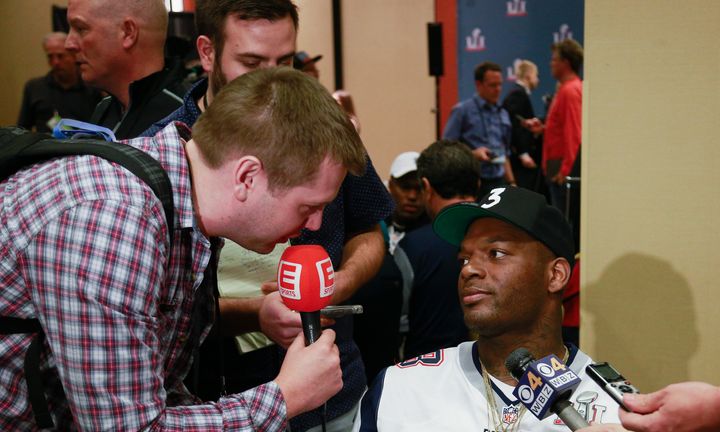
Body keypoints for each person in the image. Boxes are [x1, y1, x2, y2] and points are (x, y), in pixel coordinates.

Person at [0, 68, 365, 430]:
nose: (316, 224)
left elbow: (160, 390)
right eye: (308, 207)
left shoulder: (178, 199)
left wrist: (256, 316)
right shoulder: (114, 219)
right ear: (246, 177)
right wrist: (284, 398)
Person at [142, 1, 393, 430]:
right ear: (207, 52)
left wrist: (338, 283)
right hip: (217, 395)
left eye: (285, 61)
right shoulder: (159, 164)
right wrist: (257, 313)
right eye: (252, 62)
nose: (271, 79)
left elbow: (369, 229)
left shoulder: (322, 129)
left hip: (333, 389)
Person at [353, 186, 622, 431]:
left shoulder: (616, 411)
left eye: (496, 253)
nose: (469, 269)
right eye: (465, 258)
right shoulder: (399, 387)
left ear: (555, 275)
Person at [350, 151, 429, 384]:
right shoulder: (368, 224)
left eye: (419, 189)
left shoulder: (430, 231)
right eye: (405, 187)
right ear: (390, 185)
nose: (412, 196)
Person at [397, 140, 477, 360]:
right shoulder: (503, 236)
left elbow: (398, 322)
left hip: (424, 370)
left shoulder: (412, 247)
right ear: (478, 185)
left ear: (426, 187)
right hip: (489, 370)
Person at [65, 0, 189, 139]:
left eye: (81, 29)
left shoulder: (186, 114)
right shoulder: (104, 110)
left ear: (128, 32)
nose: (69, 44)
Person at [522, 39, 583, 238]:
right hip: (557, 166)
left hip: (560, 169)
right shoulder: (566, 89)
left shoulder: (569, 91)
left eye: (554, 59)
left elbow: (574, 132)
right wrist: (545, 129)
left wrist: (566, 171)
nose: (550, 63)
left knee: (564, 229)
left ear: (565, 62)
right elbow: (564, 127)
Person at [443, 61, 515, 198]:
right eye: (492, 85)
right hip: (471, 181)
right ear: (479, 84)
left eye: (500, 84)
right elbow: (446, 149)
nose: (498, 89)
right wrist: (474, 154)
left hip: (498, 181)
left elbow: (504, 152)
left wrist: (512, 182)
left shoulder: (503, 113)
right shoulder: (462, 111)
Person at [17, 32, 101, 132]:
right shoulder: (34, 87)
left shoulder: (92, 87)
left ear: (74, 56)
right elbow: (22, 128)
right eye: (50, 57)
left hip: (84, 146)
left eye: (60, 56)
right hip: (47, 146)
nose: (55, 62)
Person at [502, 59, 546, 195]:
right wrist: (523, 154)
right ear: (528, 76)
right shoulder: (518, 94)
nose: (537, 80)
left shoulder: (519, 94)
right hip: (520, 161)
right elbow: (516, 125)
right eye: (536, 75)